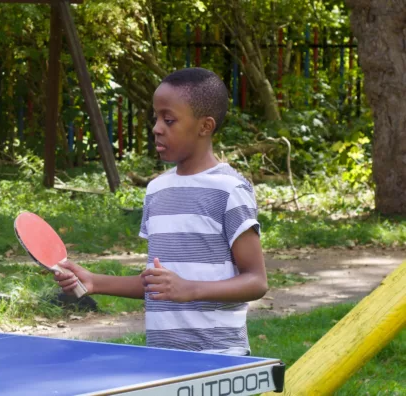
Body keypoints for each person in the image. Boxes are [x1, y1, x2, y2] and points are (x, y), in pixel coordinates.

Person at [53, 67, 268, 356]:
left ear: (205, 126)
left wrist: (190, 289)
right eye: (155, 118)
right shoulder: (157, 190)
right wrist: (93, 282)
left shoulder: (230, 190)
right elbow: (160, 285)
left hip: (219, 357)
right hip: (163, 357)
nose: (156, 127)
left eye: (169, 120)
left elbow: (256, 280)